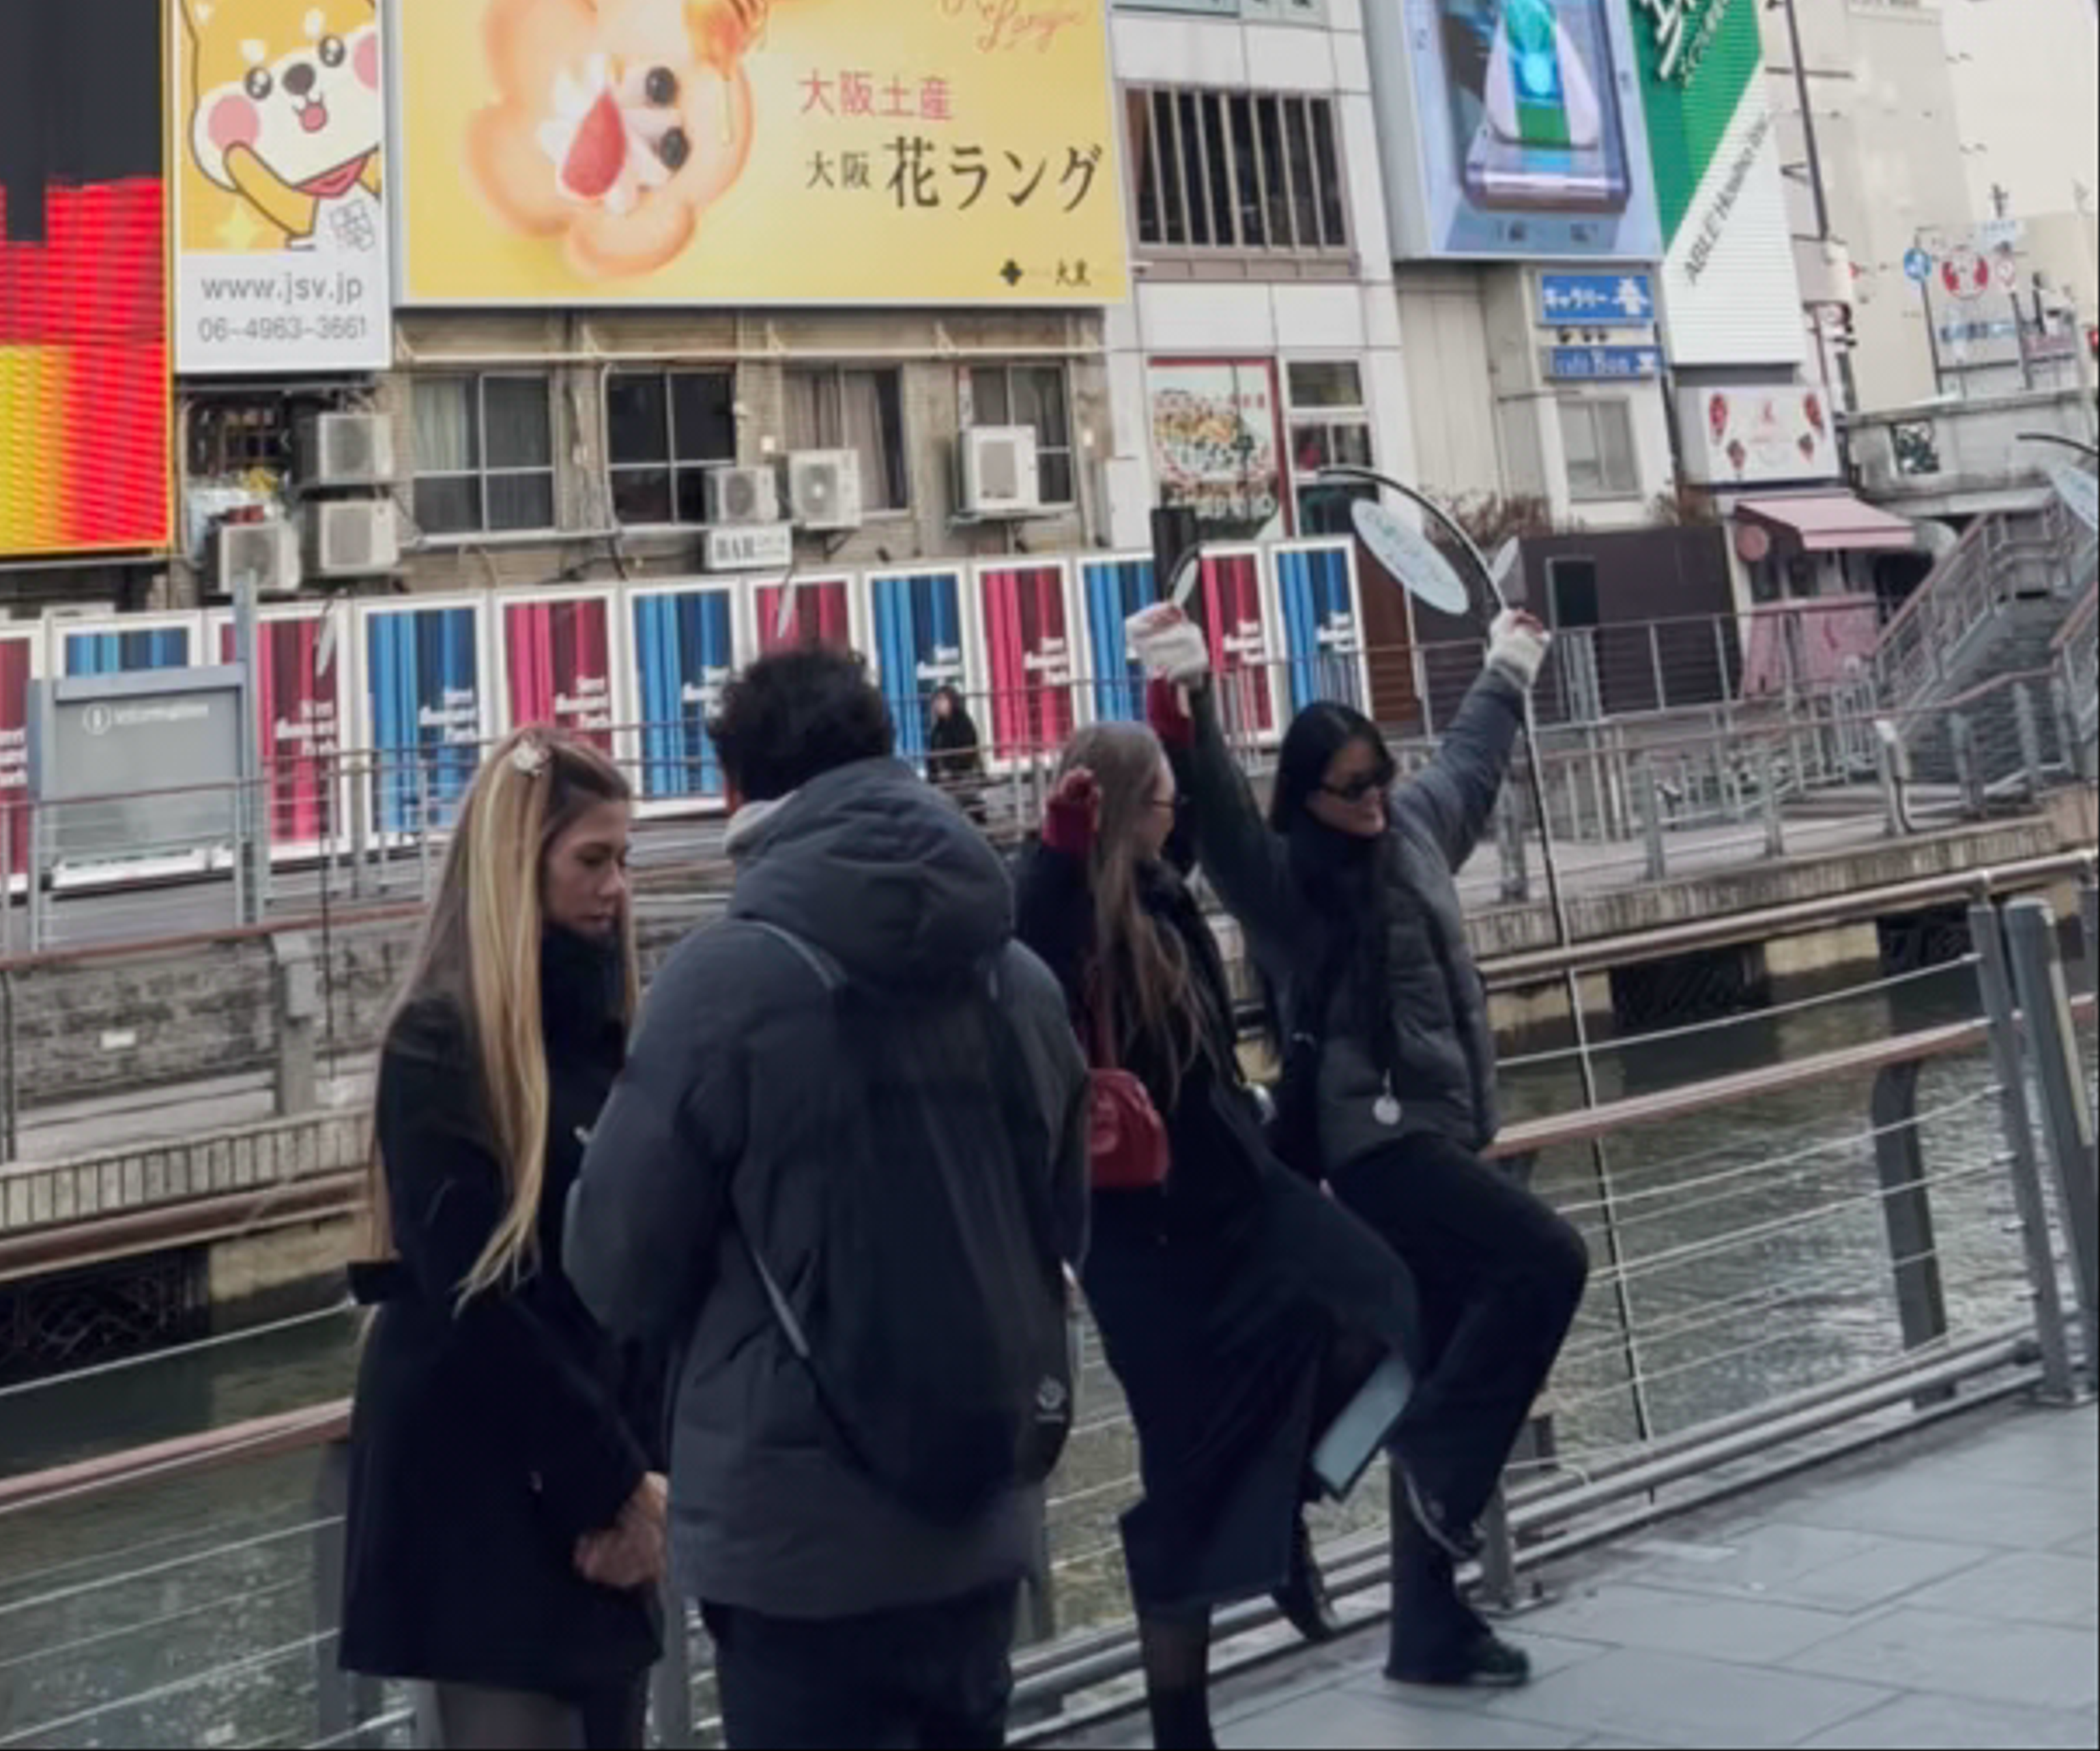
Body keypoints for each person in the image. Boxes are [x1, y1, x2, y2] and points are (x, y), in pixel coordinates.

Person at [568, 643, 1087, 1751]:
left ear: (733, 791)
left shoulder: (726, 981)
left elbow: (614, 1262)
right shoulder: (1020, 978)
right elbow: (1062, 1215)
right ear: (890, 751)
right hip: (984, 1497)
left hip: (797, 1544)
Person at [1130, 599, 1589, 1694]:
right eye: (1352, 787)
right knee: (1546, 1261)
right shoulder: (1286, 884)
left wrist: (1510, 662)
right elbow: (1226, 820)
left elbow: (1472, 757)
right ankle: (1430, 1461)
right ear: (1310, 795)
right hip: (1377, 1147)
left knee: (1428, 1348)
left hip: (1446, 1136)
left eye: (1381, 776)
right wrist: (1187, 695)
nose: (1376, 801)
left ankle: (1429, 1628)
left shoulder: (1417, 826)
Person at [1015, 719, 1419, 1750]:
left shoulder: (1164, 888)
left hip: (1239, 1194)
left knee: (1392, 1309)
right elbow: (1032, 942)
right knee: (1183, 1485)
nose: (1175, 813)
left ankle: (1284, 1493)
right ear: (1115, 811)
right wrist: (1059, 849)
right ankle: (1183, 1730)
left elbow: (1220, 836)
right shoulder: (1079, 911)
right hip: (1148, 1242)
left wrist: (1186, 723)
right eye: (1159, 798)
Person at [341, 730, 664, 1751]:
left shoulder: (608, 1030)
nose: (616, 887)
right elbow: (476, 1292)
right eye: (591, 859)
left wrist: (641, 1488)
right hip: (486, 1491)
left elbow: (640, 1272)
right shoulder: (440, 1041)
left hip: (602, 1481)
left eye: (623, 859)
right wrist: (619, 1482)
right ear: (516, 863)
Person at [925, 679, 986, 803]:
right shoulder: (938, 729)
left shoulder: (963, 724)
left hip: (963, 780)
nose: (937, 704)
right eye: (936, 701)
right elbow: (932, 755)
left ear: (951, 702)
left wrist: (951, 772)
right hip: (943, 782)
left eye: (942, 700)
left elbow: (967, 754)